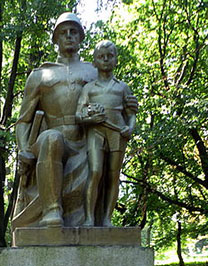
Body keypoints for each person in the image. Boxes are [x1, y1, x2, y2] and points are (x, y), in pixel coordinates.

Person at [13, 13, 137, 230]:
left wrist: (129, 108)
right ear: (56, 39)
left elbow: (114, 96)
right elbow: (23, 120)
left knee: (101, 162)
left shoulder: (93, 71)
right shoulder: (40, 75)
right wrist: (23, 149)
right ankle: (52, 211)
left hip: (88, 138)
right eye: (63, 32)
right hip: (53, 139)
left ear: (81, 38)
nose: (69, 36)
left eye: (74, 32)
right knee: (52, 139)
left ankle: (97, 219)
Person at [77, 40, 136, 227]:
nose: (105, 60)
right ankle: (89, 218)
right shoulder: (89, 88)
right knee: (95, 172)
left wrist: (130, 128)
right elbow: (78, 114)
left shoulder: (122, 87)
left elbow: (131, 114)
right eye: (101, 57)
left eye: (109, 56)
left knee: (113, 175)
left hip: (117, 134)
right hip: (96, 133)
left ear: (116, 60)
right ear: (94, 61)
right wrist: (89, 119)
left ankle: (107, 219)